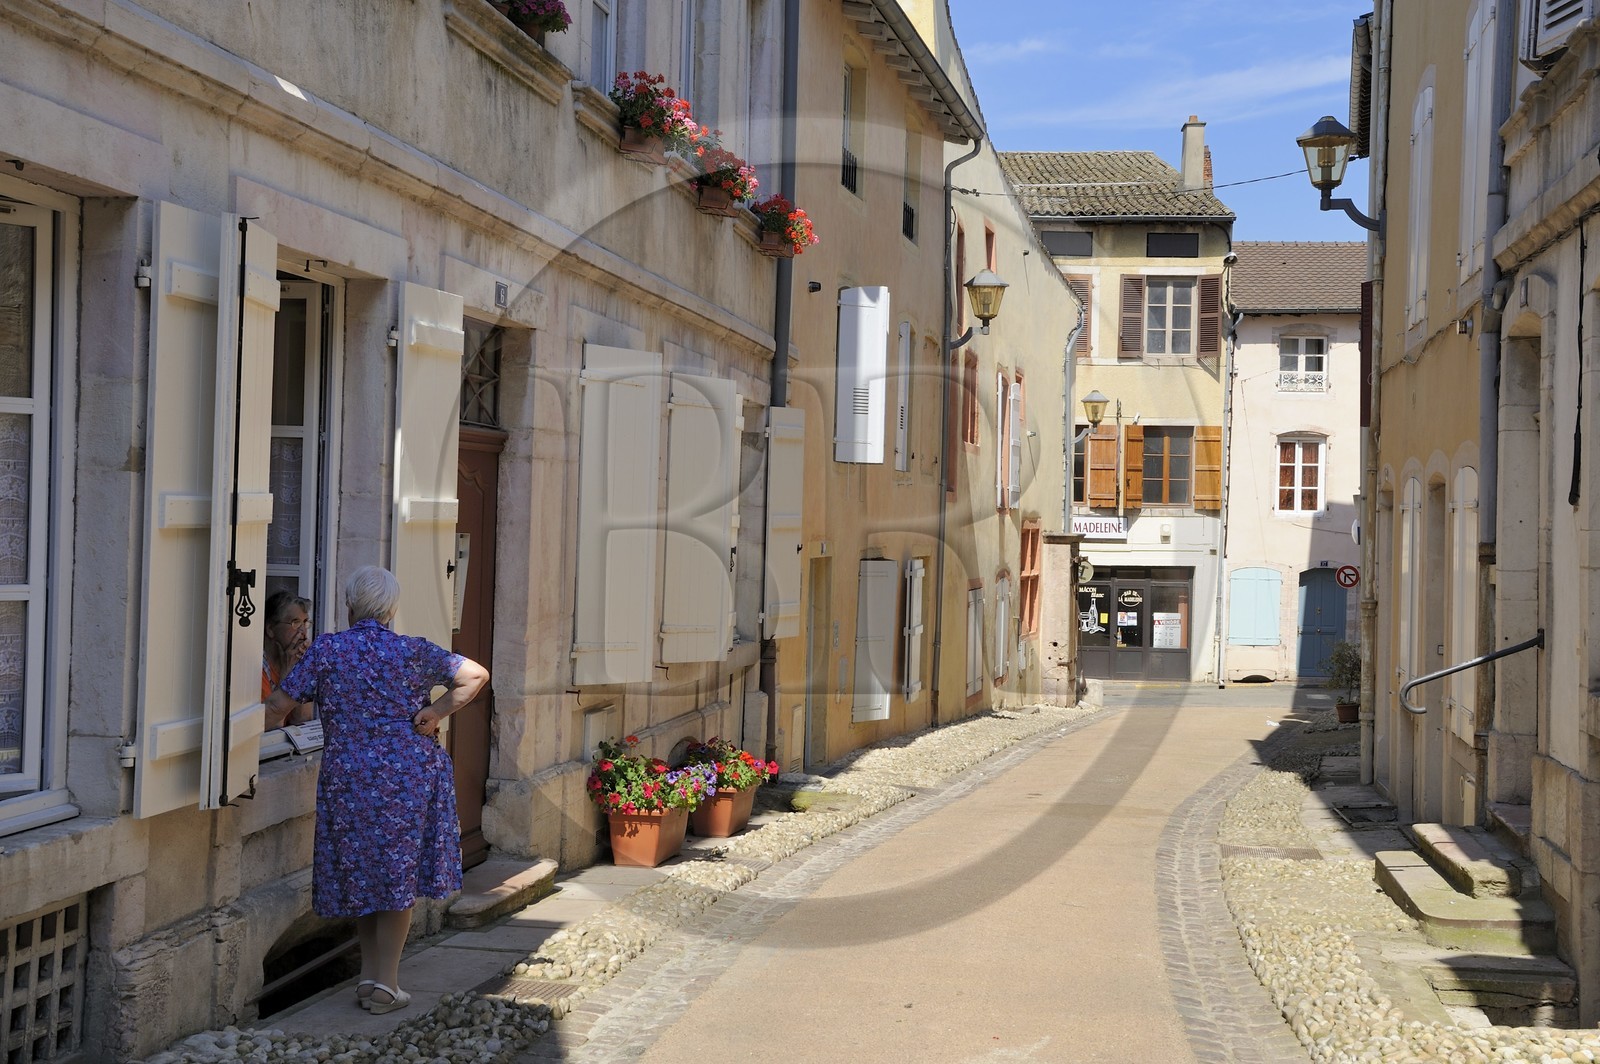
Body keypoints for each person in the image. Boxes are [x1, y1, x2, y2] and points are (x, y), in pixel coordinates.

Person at [265, 565, 489, 1015]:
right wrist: (434, 713)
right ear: (390, 609)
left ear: (350, 606)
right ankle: (383, 983)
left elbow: (277, 706)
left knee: (364, 874)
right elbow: (475, 675)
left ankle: (375, 979)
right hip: (406, 777)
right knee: (395, 877)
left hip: (348, 777)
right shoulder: (411, 651)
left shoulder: (328, 649)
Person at [262, 590, 314, 729]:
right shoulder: (257, 669)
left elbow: (302, 720)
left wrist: (303, 669)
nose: (303, 632)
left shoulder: (292, 662)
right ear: (270, 629)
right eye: (295, 623)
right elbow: (272, 730)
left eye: (305, 622)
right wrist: (287, 676)